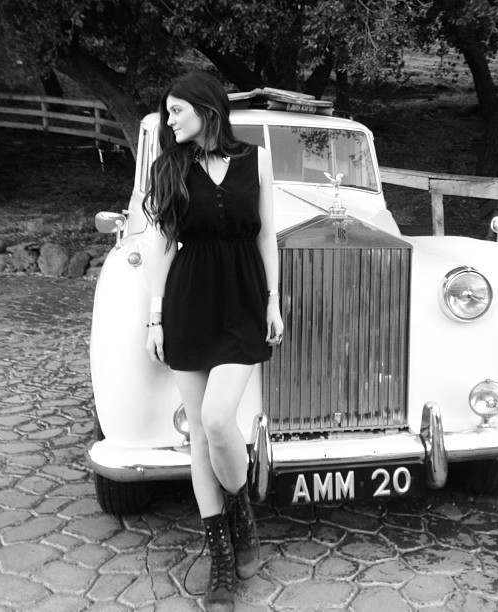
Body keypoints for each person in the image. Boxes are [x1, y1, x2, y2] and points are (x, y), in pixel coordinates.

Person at [142, 71, 283, 612]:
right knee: (200, 433)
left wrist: (272, 300)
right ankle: (222, 552)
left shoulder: (256, 160)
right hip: (189, 302)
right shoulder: (169, 167)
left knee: (220, 420)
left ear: (207, 109)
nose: (169, 120)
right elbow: (161, 247)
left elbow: (265, 235)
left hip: (243, 300)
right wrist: (155, 319)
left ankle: (240, 506)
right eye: (167, 112)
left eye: (177, 110)